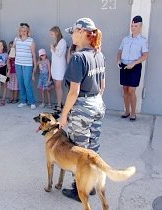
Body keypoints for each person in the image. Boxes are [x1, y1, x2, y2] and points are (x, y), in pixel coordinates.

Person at [59, 18, 106, 201]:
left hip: (82, 108)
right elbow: (103, 85)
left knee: (79, 150)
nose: (71, 35)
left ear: (81, 32)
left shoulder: (78, 58)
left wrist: (64, 116)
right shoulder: (98, 54)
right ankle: (92, 184)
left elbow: (73, 92)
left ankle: (81, 189)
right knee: (93, 148)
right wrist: (96, 102)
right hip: (96, 104)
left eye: (73, 31)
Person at [117, 15, 149, 121]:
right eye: (132, 26)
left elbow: (145, 55)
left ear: (140, 27)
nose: (133, 28)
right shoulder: (126, 39)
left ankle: (133, 113)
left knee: (131, 90)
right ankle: (127, 111)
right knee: (125, 89)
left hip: (134, 67)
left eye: (135, 26)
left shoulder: (143, 41)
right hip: (124, 66)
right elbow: (120, 51)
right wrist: (118, 60)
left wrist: (134, 63)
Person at [14, 23, 37, 109]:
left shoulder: (31, 40)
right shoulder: (16, 39)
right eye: (21, 31)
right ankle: (23, 101)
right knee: (21, 83)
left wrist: (35, 66)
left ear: (27, 32)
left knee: (27, 83)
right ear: (19, 32)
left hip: (28, 64)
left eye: (25, 31)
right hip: (18, 64)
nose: (23, 32)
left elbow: (34, 54)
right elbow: (13, 50)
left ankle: (32, 102)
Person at [49, 26, 67, 113]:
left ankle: (59, 105)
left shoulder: (62, 42)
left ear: (56, 33)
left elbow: (59, 54)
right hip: (55, 66)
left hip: (60, 67)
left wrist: (52, 48)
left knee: (58, 86)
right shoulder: (55, 42)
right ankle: (60, 103)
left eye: (52, 34)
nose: (51, 35)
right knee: (56, 86)